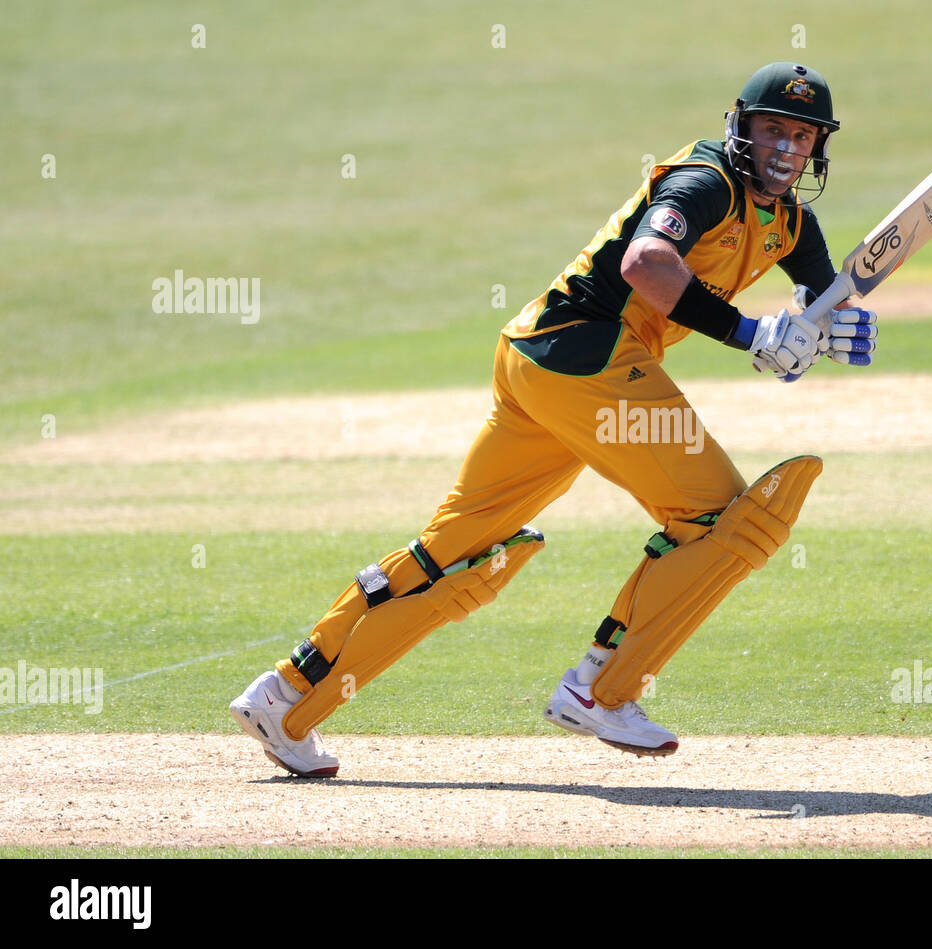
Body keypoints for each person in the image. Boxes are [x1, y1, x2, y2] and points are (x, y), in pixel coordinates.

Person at [229, 62, 876, 777]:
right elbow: (646, 262)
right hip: (588, 357)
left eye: (801, 135)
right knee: (725, 518)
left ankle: (286, 697)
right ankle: (601, 689)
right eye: (771, 129)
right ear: (740, 127)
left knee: (460, 549)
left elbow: (824, 297)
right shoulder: (705, 184)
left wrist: (837, 332)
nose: (784, 147)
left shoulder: (790, 223)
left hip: (537, 363)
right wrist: (753, 336)